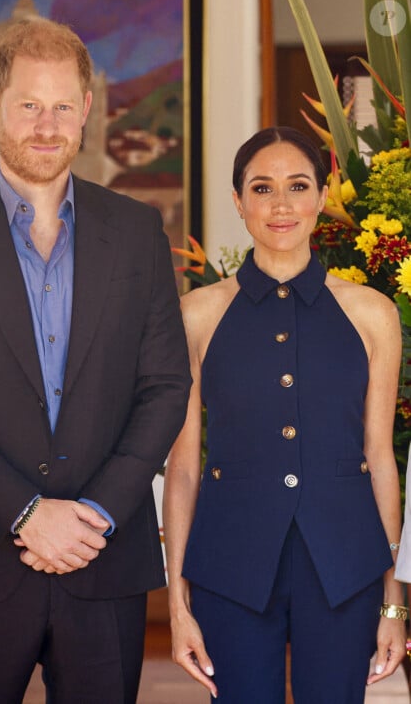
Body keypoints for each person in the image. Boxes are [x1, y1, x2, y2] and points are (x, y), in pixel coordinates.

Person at [0, 17, 191, 704]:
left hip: (101, 556)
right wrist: (27, 512)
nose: (46, 126)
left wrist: (95, 514)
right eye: (28, 105)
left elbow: (166, 386)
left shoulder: (139, 232)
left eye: (61, 106)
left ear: (86, 110)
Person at [163, 126, 406, 703]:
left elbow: (381, 458)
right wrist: (177, 604)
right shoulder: (195, 315)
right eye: (262, 188)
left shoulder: (373, 314)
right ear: (238, 201)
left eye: (298, 186)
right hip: (230, 568)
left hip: (346, 570)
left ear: (322, 197)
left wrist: (394, 602)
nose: (280, 204)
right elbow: (183, 469)